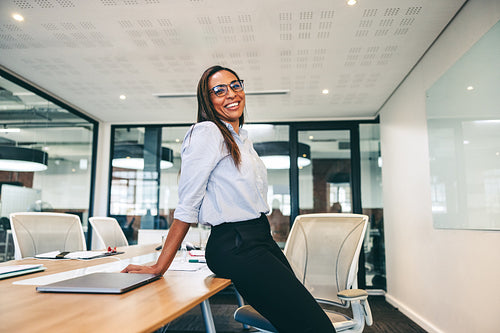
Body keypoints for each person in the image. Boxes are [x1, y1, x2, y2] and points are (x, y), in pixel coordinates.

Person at [121, 65, 336, 333]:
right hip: (235, 243)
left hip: (260, 238)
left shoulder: (242, 139)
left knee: (297, 322)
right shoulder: (207, 133)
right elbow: (187, 205)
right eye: (219, 90)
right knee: (315, 327)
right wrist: (159, 266)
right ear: (207, 100)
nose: (231, 94)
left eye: (235, 85)